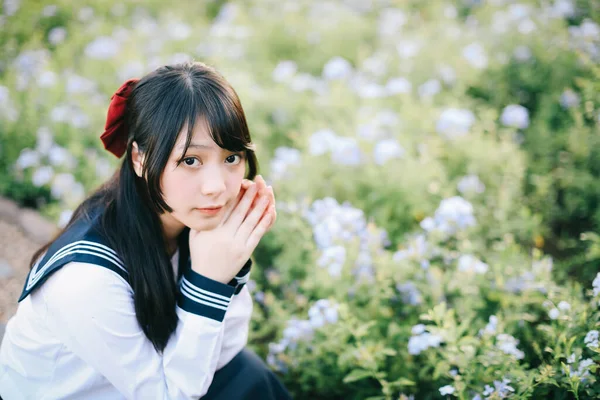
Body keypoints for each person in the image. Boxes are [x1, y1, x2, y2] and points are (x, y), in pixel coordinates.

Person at [0, 61, 292, 399]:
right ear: (139, 158)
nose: (216, 187)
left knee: (248, 376)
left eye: (231, 158)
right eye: (190, 161)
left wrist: (229, 261)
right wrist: (209, 283)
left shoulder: (190, 222)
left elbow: (223, 353)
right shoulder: (85, 281)